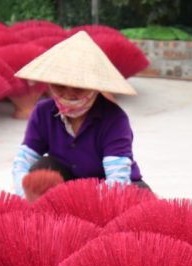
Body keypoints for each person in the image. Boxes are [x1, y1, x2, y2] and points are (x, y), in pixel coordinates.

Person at [11, 31, 146, 196]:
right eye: (59, 86)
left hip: (115, 188)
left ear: (96, 87)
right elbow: (23, 162)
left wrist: (79, 204)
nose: (68, 95)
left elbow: (117, 180)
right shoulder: (43, 113)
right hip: (68, 180)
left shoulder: (115, 119)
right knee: (42, 169)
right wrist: (24, 194)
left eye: (78, 88)